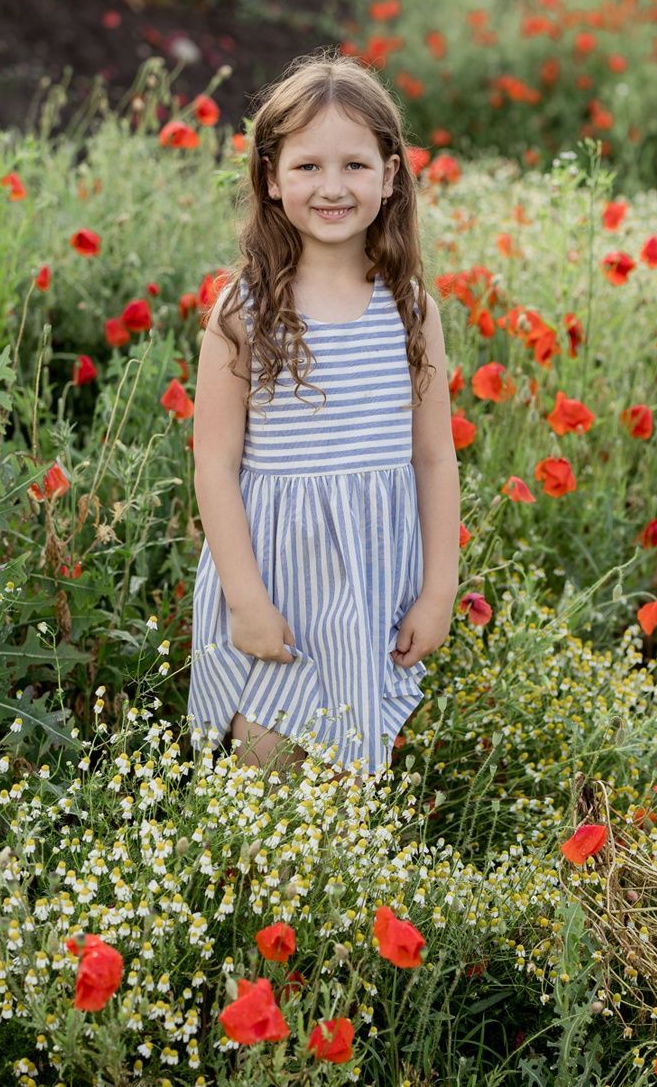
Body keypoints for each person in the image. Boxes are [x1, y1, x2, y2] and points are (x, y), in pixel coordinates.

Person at [187, 50, 460, 786]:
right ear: (272, 178)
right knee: (263, 764)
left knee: (346, 781)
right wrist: (246, 600)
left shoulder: (411, 310)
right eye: (308, 166)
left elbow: (435, 457)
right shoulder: (244, 312)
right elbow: (214, 465)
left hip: (370, 589)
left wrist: (438, 591)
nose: (333, 187)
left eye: (355, 165)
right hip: (274, 581)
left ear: (390, 175)